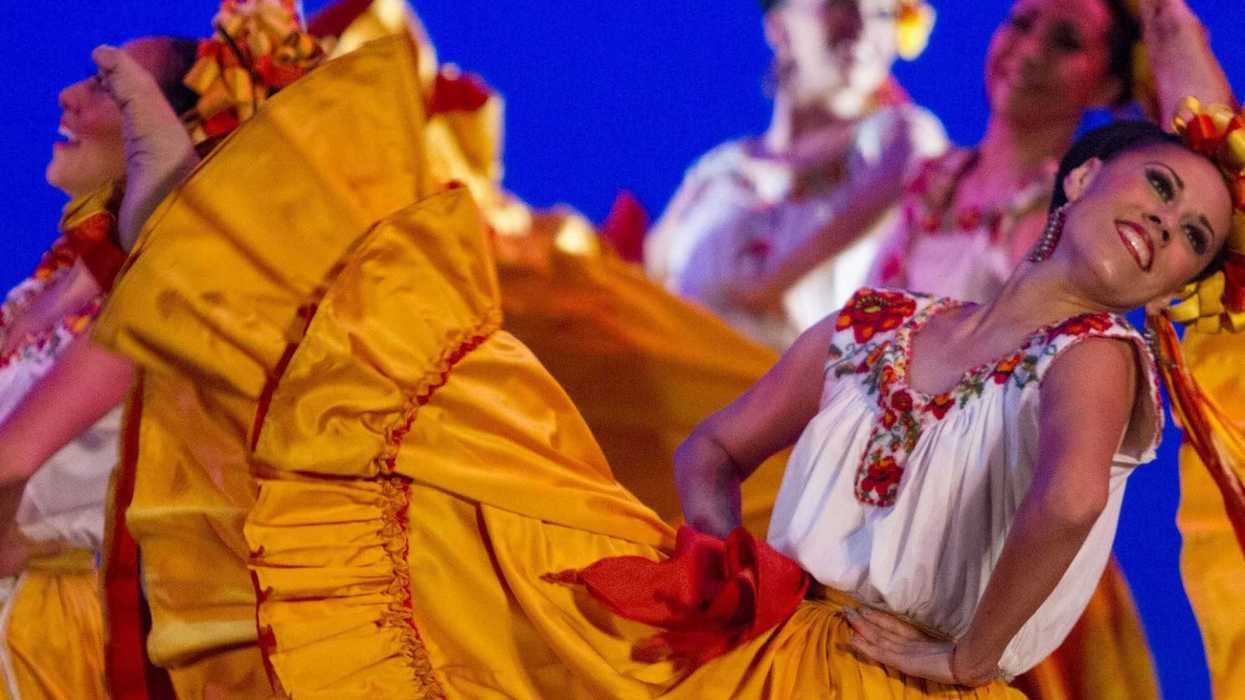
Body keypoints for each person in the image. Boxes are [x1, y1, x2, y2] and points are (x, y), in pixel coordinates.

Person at [87, 5, 1241, 690]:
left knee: (521, 405)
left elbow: (1062, 496)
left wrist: (969, 659)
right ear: (1089, 178)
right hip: (791, 626)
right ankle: (227, 235)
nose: (1169, 226)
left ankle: (233, 242)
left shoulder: (1090, 344)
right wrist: (717, 566)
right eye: (1157, 190)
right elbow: (720, 444)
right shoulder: (887, 310)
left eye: (1194, 236)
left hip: (926, 649)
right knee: (486, 476)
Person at [0, 37, 198, 700]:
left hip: (39, 636)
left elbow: (8, 463)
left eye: (108, 86)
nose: (68, 95)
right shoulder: (47, 293)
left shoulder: (151, 306)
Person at [646, 0, 946, 351]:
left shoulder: (895, 139)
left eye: (884, 12)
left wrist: (763, 287)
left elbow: (909, 173)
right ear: (778, 25)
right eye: (842, 6)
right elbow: (649, 279)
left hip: (796, 395)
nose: (864, 25)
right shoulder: (715, 172)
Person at [867, 0, 1142, 302]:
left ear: (1108, 88)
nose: (1031, 49)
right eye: (1022, 23)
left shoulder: (1060, 218)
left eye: (1066, 42)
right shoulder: (934, 174)